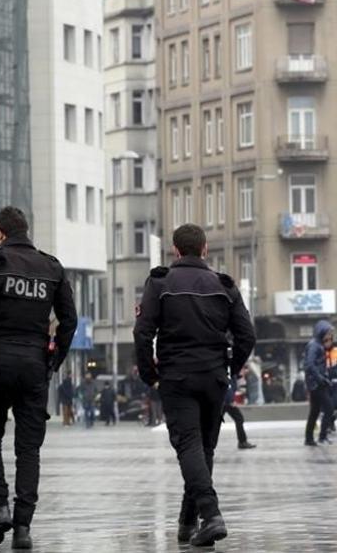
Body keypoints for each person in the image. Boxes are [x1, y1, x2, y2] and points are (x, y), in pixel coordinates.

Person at [134, 224, 255, 547]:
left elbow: (142, 332)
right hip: (214, 377)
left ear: (175, 250)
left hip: (177, 377)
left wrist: (150, 375)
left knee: (189, 446)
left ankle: (211, 514)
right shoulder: (224, 286)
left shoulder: (160, 282)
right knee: (203, 450)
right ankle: (189, 523)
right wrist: (231, 366)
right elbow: (247, 335)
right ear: (204, 250)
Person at [0, 206, 77, 550]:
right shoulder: (51, 266)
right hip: (34, 364)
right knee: (28, 448)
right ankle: (23, 527)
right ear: (26, 231)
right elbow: (69, 321)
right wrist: (54, 360)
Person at [304, 320, 334, 446]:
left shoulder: (317, 345)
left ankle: (309, 438)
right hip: (316, 384)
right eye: (328, 333)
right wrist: (320, 379)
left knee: (315, 411)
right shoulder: (314, 346)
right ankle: (322, 436)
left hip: (316, 383)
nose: (329, 336)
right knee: (329, 408)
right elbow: (310, 365)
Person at [222, 380, 255, 450]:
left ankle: (242, 441)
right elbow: (228, 386)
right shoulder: (229, 372)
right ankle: (242, 442)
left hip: (225, 401)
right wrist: (230, 400)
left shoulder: (233, 374)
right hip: (225, 401)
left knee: (239, 419)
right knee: (239, 419)